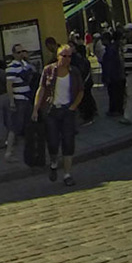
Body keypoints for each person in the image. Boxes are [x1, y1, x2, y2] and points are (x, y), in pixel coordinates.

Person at [34, 43, 86, 186]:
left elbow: (81, 90)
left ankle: (67, 174)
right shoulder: (49, 70)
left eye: (69, 56)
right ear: (58, 56)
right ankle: (54, 163)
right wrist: (36, 108)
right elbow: (42, 89)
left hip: (67, 111)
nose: (67, 59)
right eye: (64, 56)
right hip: (52, 111)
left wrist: (73, 107)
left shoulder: (74, 72)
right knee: (53, 141)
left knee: (68, 142)